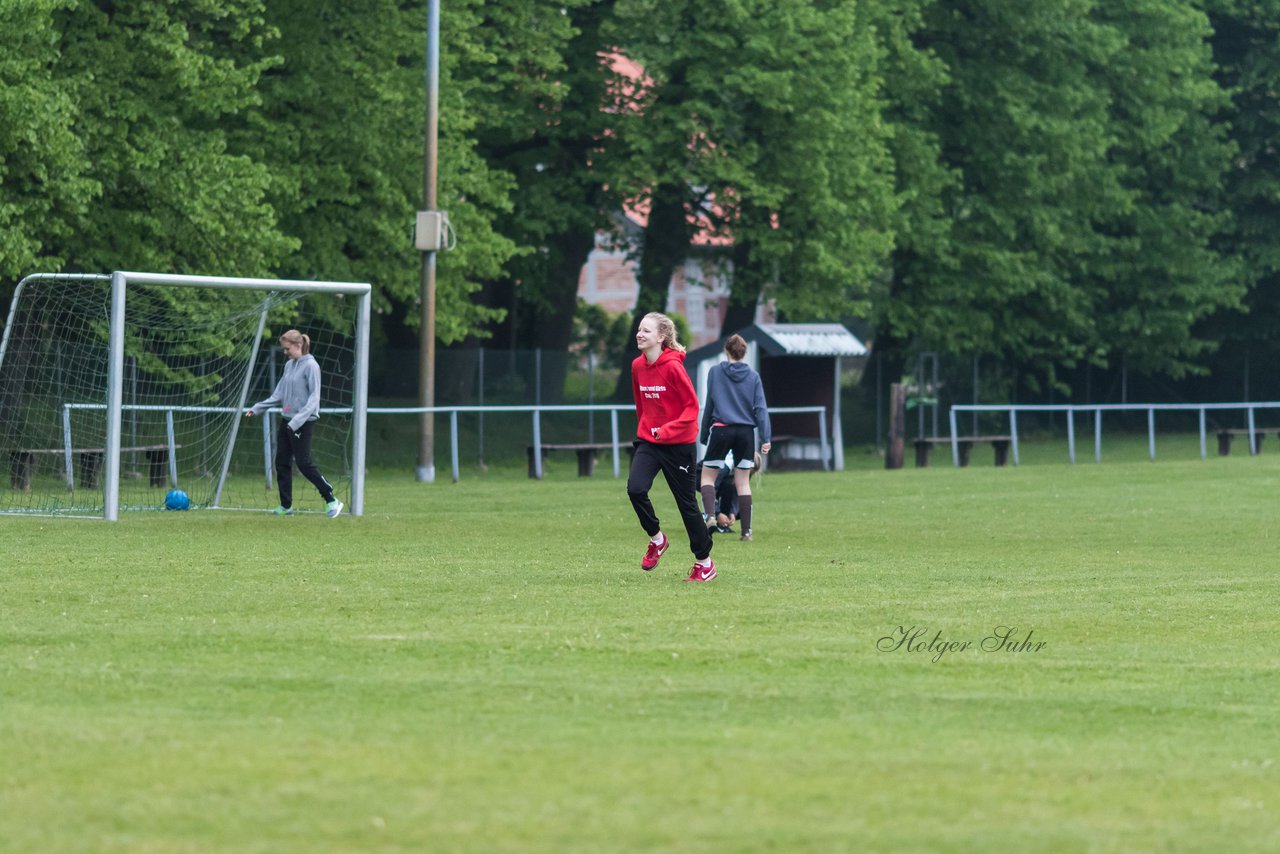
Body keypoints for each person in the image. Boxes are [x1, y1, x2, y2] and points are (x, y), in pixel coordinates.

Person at [628, 312, 715, 582]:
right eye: (639, 330)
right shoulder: (636, 366)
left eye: (646, 331)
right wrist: (647, 431)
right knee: (635, 489)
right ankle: (657, 539)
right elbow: (641, 405)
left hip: (679, 444)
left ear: (661, 338)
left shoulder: (674, 368)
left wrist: (666, 430)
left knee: (686, 504)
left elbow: (692, 408)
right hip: (650, 441)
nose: (640, 334)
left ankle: (705, 563)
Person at [245, 329, 343, 518]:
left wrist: (297, 422)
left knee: (304, 464)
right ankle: (286, 506)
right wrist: (258, 408)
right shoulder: (290, 365)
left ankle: (331, 499)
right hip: (287, 421)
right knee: (281, 462)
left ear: (298, 346)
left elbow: (314, 399)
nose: (285, 352)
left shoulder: (311, 366)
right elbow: (279, 394)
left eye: (287, 348)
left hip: (303, 422)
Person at [699, 333, 770, 541]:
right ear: (744, 352)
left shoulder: (714, 372)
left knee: (707, 477)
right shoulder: (753, 376)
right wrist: (766, 437)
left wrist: (704, 434)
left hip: (721, 429)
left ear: (726, 351)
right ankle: (746, 531)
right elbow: (761, 409)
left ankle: (711, 517)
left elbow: (710, 404)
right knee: (742, 482)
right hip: (746, 433)